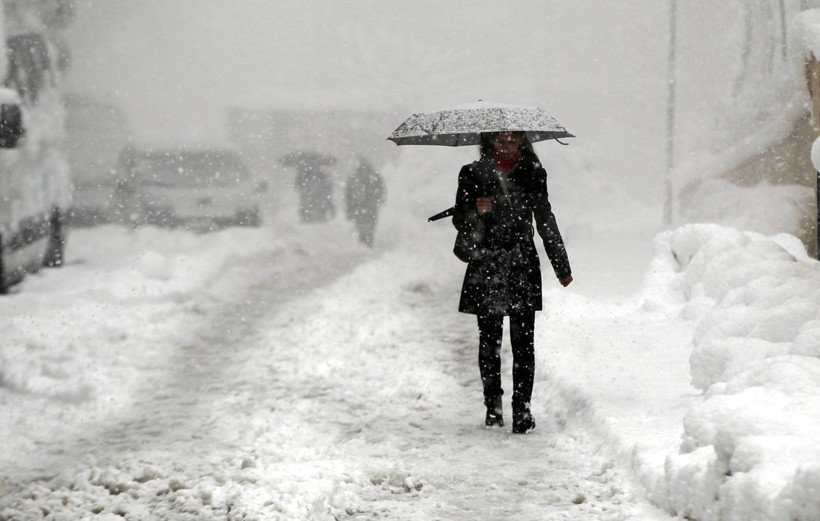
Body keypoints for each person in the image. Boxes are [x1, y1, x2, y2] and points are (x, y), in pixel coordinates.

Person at [452, 131, 573, 434]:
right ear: (489, 141)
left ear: (522, 142)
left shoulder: (533, 173)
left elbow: (544, 217)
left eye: (512, 140)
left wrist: (561, 264)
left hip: (521, 261)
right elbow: (460, 218)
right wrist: (475, 212)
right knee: (489, 341)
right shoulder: (472, 173)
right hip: (486, 261)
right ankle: (493, 406)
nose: (506, 145)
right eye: (499, 140)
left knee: (523, 343)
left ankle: (522, 410)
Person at [345, 157, 386, 247]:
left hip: (362, 207)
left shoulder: (355, 178)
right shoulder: (374, 177)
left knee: (364, 227)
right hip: (368, 207)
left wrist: (350, 209)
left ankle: (364, 244)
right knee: (368, 227)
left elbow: (349, 195)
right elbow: (381, 190)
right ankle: (366, 244)